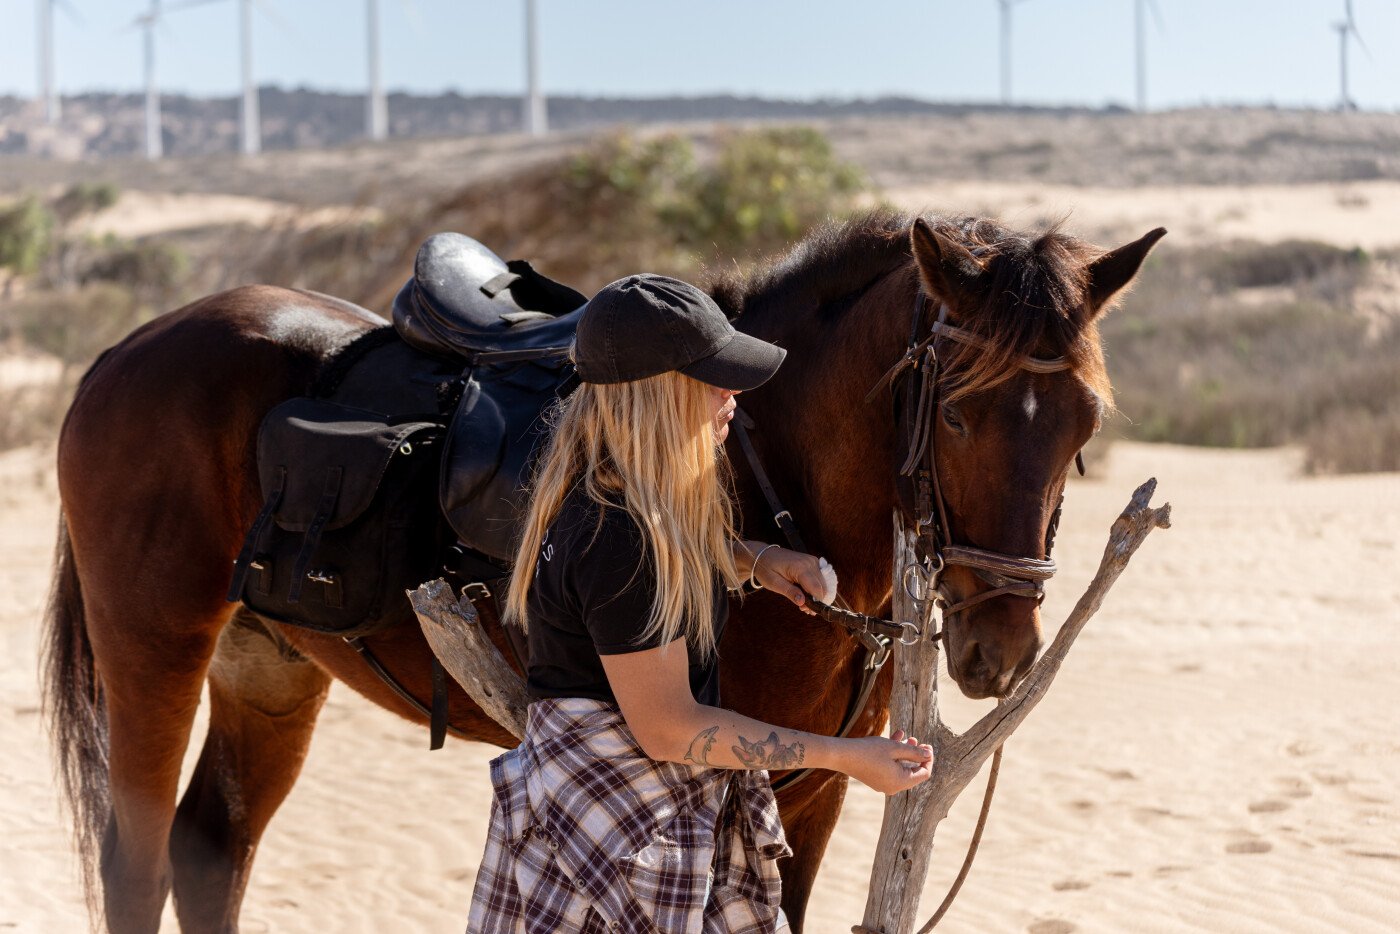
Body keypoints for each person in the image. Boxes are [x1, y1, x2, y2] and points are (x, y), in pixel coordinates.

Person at [467, 274, 934, 934]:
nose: (733, 397)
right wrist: (843, 756)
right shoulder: (622, 538)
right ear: (661, 394)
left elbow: (677, 545)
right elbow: (668, 728)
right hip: (616, 833)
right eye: (715, 379)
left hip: (594, 812)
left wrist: (760, 562)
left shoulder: (612, 497)